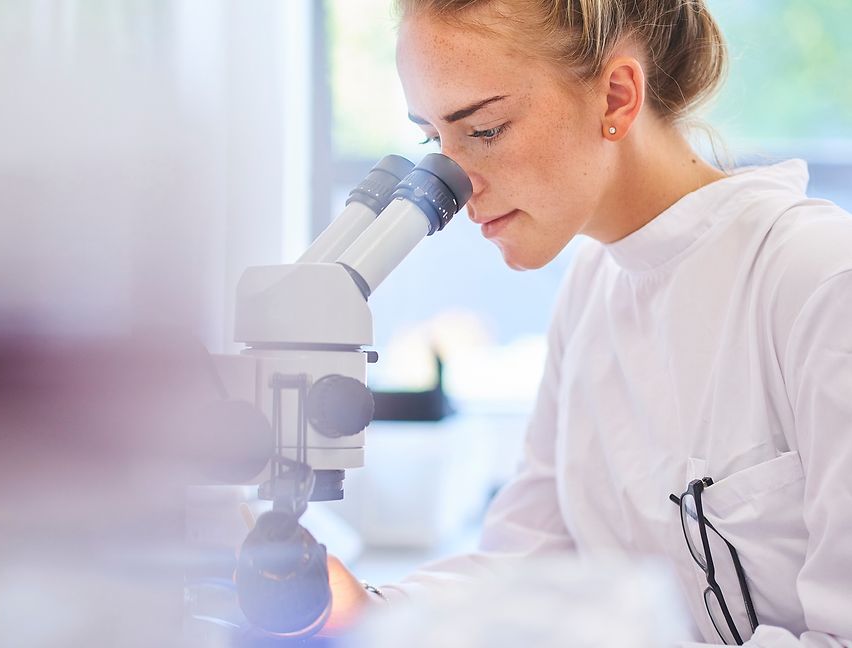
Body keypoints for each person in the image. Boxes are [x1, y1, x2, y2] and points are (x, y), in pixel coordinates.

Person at [323, 1, 852, 645]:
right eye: (436, 140)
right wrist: (363, 608)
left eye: (484, 129)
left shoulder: (818, 281)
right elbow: (535, 561)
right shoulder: (592, 287)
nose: (457, 189)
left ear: (617, 97)